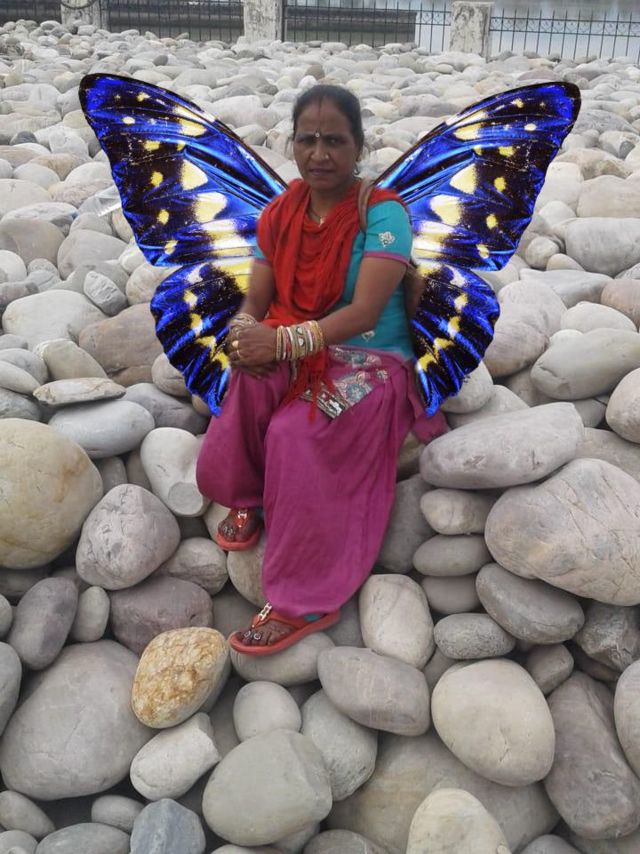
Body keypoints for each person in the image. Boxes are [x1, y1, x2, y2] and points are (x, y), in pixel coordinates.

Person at [195, 84, 447, 656]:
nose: (319, 153)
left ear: (358, 147)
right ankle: (250, 493)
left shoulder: (383, 215)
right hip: (299, 344)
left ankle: (303, 597)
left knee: (295, 432)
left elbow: (364, 314)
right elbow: (257, 297)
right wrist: (244, 331)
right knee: (249, 382)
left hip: (373, 360)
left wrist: (281, 341)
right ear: (291, 143)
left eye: (334, 141)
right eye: (307, 140)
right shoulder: (281, 212)